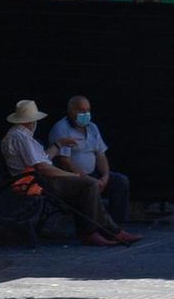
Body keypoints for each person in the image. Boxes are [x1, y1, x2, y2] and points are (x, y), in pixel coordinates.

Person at [0, 101, 137, 246]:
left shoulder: (22, 135)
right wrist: (72, 175)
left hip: (39, 177)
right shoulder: (21, 137)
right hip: (35, 181)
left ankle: (105, 230)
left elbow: (43, 158)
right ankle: (99, 232)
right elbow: (42, 167)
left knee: (100, 183)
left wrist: (59, 144)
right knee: (88, 184)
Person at [47, 96, 131, 230]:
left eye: (88, 110)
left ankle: (117, 225)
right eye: (81, 110)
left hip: (94, 174)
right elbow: (65, 162)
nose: (85, 114)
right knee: (90, 186)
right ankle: (96, 228)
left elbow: (100, 154)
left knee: (121, 181)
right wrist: (89, 179)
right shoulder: (62, 129)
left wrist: (105, 176)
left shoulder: (92, 128)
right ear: (71, 111)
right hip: (72, 177)